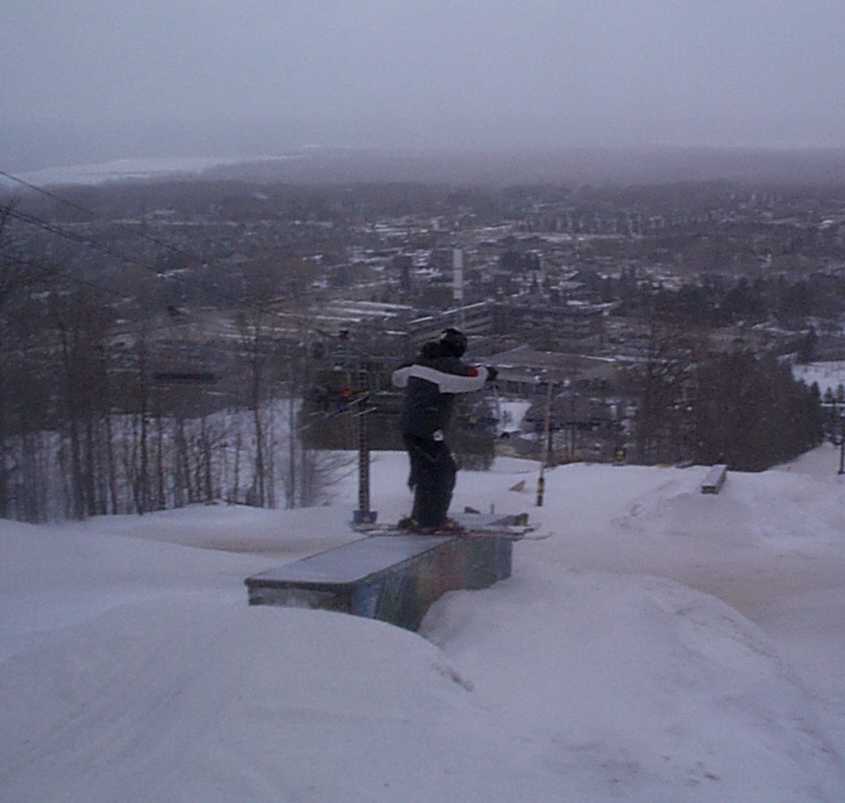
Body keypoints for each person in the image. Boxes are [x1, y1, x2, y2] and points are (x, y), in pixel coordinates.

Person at [391, 328, 497, 532]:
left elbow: (397, 377)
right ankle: (432, 521)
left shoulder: (420, 363)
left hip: (411, 426)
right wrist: (487, 372)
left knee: (425, 472)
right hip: (427, 428)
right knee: (443, 472)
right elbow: (472, 378)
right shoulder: (447, 367)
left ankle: (420, 518)